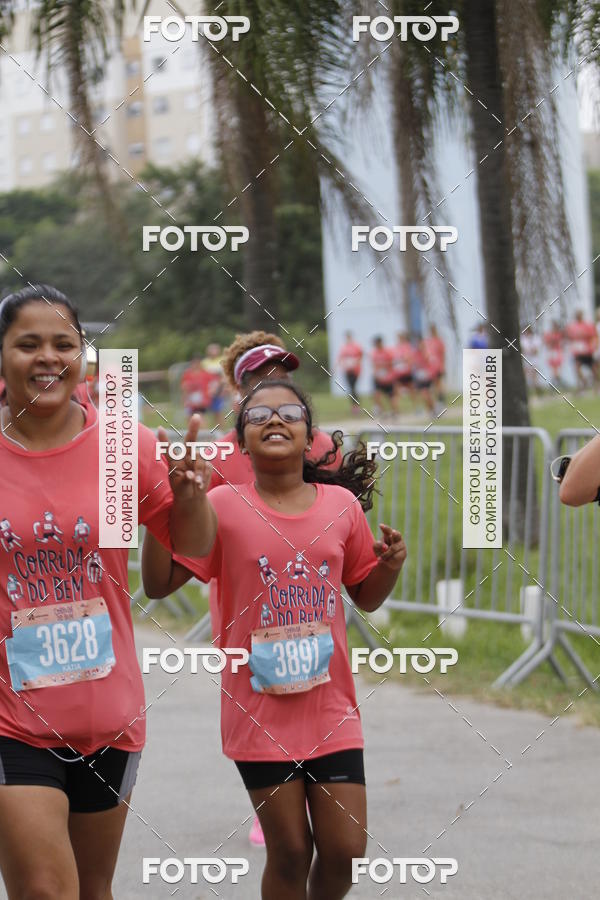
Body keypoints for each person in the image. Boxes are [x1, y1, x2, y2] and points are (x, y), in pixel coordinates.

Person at [142, 380, 407, 900]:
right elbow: (158, 584)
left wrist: (390, 567)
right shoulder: (222, 504)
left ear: (310, 436)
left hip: (331, 708)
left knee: (345, 852)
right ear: (240, 443)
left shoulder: (341, 506)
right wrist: (165, 511)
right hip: (258, 709)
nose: (275, 420)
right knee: (288, 851)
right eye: (258, 416)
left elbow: (366, 595)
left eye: (289, 411)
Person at [0, 284, 216, 900]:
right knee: (46, 892)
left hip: (108, 715)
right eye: (28, 344)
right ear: (1, 356)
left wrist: (193, 494)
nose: (49, 357)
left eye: (64, 343)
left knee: (93, 890)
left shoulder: (124, 446)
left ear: (84, 357)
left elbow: (188, 547)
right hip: (11, 720)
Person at [147, 329, 341, 848]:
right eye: (259, 377)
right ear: (239, 392)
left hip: (306, 596)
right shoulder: (218, 453)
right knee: (266, 692)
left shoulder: (319, 442)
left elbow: (337, 507)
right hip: (243, 598)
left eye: (281, 372)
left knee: (313, 686)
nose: (273, 382)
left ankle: (315, 785)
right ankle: (271, 804)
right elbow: (192, 535)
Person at [565, 309, 599, 392]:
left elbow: (593, 336)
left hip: (587, 350)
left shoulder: (587, 325)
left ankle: (597, 386)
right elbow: (569, 337)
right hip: (578, 351)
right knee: (577, 366)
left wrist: (594, 346)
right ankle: (583, 383)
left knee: (594, 368)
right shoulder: (572, 327)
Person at [370, 336, 398, 417]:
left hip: (388, 378)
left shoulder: (388, 352)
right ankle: (383, 412)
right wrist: (375, 374)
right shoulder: (374, 353)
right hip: (379, 378)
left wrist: (383, 365)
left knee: (391, 397)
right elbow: (374, 365)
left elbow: (392, 364)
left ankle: (395, 413)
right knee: (376, 395)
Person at [336, 331, 363, 414]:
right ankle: (354, 406)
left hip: (355, 370)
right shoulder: (344, 347)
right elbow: (340, 358)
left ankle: (356, 406)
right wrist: (335, 368)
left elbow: (360, 356)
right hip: (347, 370)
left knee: (353, 388)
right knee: (351, 389)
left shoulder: (356, 346)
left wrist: (355, 365)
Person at [420, 325, 446, 403]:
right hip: (430, 367)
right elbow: (424, 352)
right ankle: (437, 401)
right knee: (433, 385)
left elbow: (443, 354)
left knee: (438, 384)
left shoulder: (439, 341)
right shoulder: (428, 341)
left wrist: (443, 365)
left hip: (438, 366)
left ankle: (441, 400)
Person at [543, 321, 564, 388]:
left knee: (556, 368)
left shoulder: (558, 334)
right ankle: (556, 381)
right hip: (552, 352)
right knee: (554, 368)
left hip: (556, 351)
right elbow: (547, 342)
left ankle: (556, 381)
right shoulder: (550, 334)